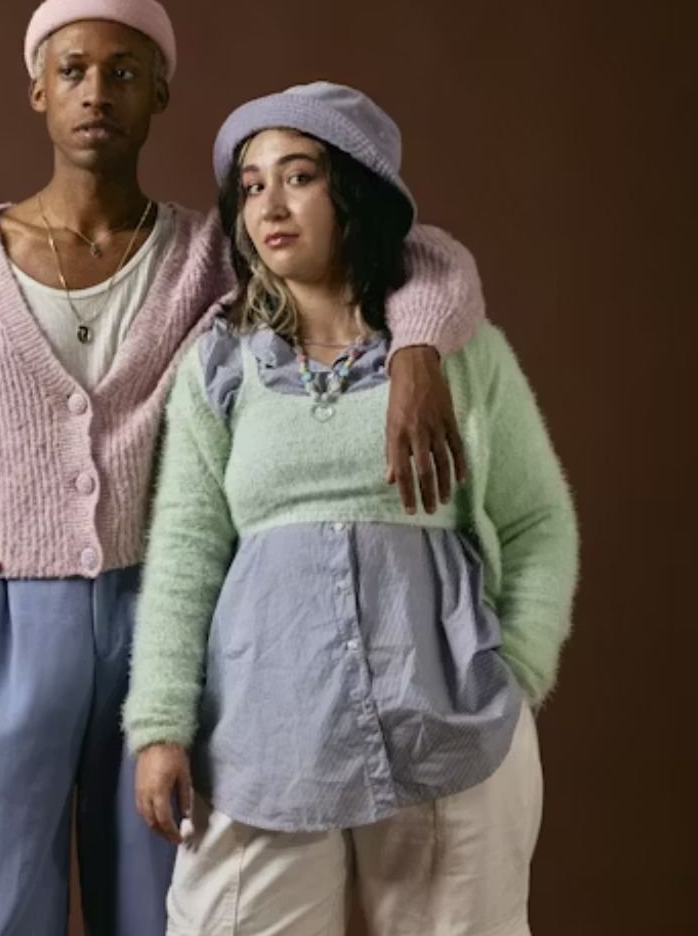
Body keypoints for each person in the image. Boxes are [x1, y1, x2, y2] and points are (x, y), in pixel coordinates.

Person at [0, 0, 486, 936]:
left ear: (161, 95)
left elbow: (419, 254)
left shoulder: (211, 252)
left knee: (164, 903)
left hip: (167, 618)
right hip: (6, 617)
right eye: (75, 70)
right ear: (38, 91)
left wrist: (419, 347)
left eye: (126, 71)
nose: (99, 91)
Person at [126, 82, 578, 936]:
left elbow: (537, 519)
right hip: (263, 729)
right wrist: (160, 724)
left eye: (300, 176)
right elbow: (183, 549)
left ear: (355, 193)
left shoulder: (460, 355)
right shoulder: (217, 372)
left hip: (450, 720)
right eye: (252, 185)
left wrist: (514, 670)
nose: (271, 204)